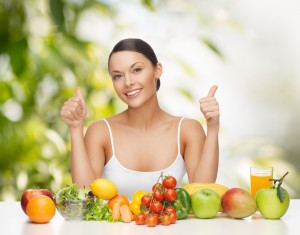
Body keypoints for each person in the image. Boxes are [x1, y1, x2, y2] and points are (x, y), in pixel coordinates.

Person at [60, 38, 220, 199]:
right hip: (115, 225)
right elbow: (85, 195)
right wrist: (75, 128)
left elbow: (202, 193)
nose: (128, 82)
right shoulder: (100, 132)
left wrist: (213, 128)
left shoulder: (187, 130)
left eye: (136, 70)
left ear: (157, 70)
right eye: (118, 76)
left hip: (169, 224)